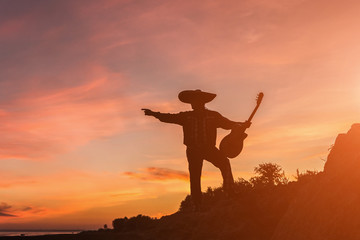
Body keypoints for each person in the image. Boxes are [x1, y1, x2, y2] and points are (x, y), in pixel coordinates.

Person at [142, 89, 251, 210]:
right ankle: (197, 204)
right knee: (195, 175)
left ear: (201, 102)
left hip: (209, 148)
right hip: (193, 150)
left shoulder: (213, 116)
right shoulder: (186, 116)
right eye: (192, 101)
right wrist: (154, 114)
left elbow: (228, 124)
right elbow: (169, 117)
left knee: (224, 163)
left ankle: (230, 191)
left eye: (194, 101)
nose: (193, 104)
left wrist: (242, 124)